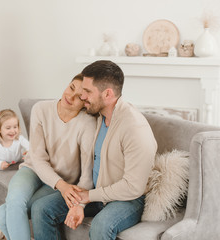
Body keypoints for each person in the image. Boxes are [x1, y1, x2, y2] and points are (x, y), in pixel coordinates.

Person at [32, 60, 157, 240]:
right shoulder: (98, 116)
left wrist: (87, 197)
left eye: (88, 92)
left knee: (101, 225)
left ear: (107, 94)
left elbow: (133, 187)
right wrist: (80, 203)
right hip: (98, 192)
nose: (82, 97)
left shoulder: (135, 129)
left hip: (128, 199)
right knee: (41, 209)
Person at [0, 73, 96, 240]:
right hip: (33, 170)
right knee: (14, 201)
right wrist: (61, 186)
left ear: (85, 104)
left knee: (1, 214)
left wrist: (76, 197)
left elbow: (87, 173)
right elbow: (37, 157)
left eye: (78, 97)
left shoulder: (87, 124)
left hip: (61, 178)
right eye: (71, 88)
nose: (70, 96)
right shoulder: (41, 109)